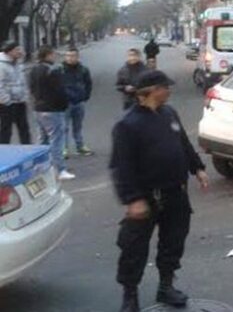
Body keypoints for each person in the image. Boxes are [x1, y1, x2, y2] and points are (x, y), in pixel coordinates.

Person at [110, 70, 208, 312]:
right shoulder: (127, 125)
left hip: (175, 193)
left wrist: (197, 168)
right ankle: (130, 294)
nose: (169, 90)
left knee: (173, 242)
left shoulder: (169, 113)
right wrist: (133, 199)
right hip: (146, 197)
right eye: (165, 87)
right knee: (134, 248)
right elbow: (121, 166)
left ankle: (166, 286)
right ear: (151, 91)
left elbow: (182, 143)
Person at [29, 46, 74, 180]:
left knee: (42, 139)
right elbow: (59, 91)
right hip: (53, 109)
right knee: (56, 140)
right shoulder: (52, 71)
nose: (54, 57)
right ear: (48, 55)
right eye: (53, 54)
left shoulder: (34, 70)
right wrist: (64, 104)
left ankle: (39, 167)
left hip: (39, 108)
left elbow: (31, 88)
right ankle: (59, 169)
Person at [61, 47, 93, 157]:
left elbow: (88, 84)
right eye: (68, 56)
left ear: (78, 57)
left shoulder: (83, 70)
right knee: (63, 127)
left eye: (73, 56)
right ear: (65, 57)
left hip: (79, 102)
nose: (71, 58)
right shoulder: (60, 70)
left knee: (78, 127)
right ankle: (63, 148)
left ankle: (80, 146)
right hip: (64, 103)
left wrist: (85, 96)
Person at [0, 41, 31, 144]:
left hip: (20, 101)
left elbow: (23, 82)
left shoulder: (18, 63)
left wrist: (25, 97)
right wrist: (6, 100)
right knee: (6, 130)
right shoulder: (1, 65)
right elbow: (1, 85)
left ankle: (27, 151)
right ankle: (4, 153)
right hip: (7, 104)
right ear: (9, 51)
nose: (20, 51)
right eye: (17, 49)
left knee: (24, 129)